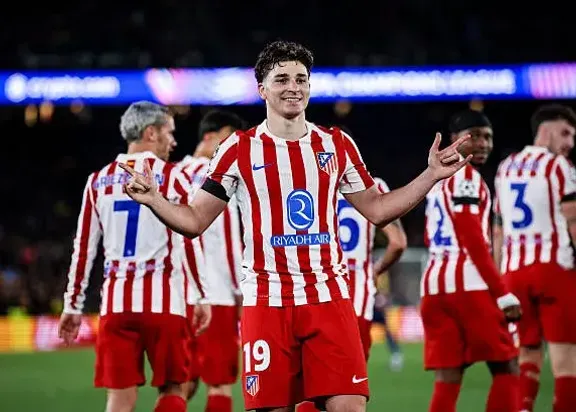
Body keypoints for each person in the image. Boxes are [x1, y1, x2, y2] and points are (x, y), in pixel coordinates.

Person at [119, 40, 472, 412]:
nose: (293, 87)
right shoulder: (238, 149)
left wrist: (430, 175)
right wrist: (156, 200)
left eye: (301, 79)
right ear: (262, 89)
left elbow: (379, 209)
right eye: (282, 79)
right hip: (267, 302)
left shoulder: (336, 144)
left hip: (328, 297)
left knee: (349, 406)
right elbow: (195, 220)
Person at [57, 101, 210, 412]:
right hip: (164, 305)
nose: (173, 141)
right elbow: (190, 238)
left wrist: (72, 305)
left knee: (119, 398)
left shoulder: (97, 181)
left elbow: (84, 248)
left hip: (116, 306)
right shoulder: (173, 176)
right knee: (174, 388)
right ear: (151, 133)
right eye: (169, 133)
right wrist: (201, 295)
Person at [421, 109, 521, 412]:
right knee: (507, 366)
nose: (483, 144)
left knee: (448, 376)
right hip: (469, 285)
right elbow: (471, 239)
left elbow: (429, 235)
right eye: (474, 136)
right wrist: (502, 294)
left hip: (434, 286)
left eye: (487, 137)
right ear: (455, 139)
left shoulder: (434, 180)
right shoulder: (465, 176)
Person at [297, 173, 407, 412]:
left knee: (309, 389)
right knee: (346, 396)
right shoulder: (375, 186)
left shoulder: (310, 181)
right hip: (357, 302)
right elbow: (398, 243)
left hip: (314, 297)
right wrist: (375, 270)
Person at [492, 104, 576, 412]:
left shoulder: (506, 167)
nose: (570, 143)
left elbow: (497, 231)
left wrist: (499, 285)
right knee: (566, 362)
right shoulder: (559, 166)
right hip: (554, 270)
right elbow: (573, 219)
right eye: (565, 133)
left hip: (514, 275)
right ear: (546, 130)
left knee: (527, 356)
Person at [178, 109, 246, 412]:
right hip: (216, 293)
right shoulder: (220, 176)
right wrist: (241, 291)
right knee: (219, 382)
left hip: (175, 296)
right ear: (209, 137)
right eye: (228, 139)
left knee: (180, 383)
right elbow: (230, 241)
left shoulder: (172, 174)